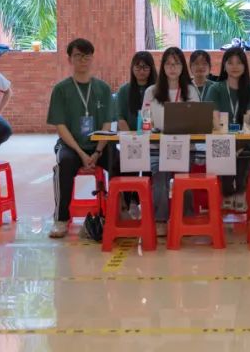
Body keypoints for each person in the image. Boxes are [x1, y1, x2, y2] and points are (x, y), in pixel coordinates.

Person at [47, 38, 125, 239]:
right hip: (72, 146)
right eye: (78, 56)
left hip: (99, 145)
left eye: (86, 56)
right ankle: (61, 219)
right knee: (64, 164)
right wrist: (81, 153)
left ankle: (119, 211)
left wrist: (98, 151)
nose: (83, 60)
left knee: (119, 161)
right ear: (69, 59)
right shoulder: (61, 89)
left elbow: (107, 124)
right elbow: (60, 126)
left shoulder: (103, 88)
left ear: (92, 58)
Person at [142, 47, 201, 236]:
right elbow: (145, 119)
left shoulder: (191, 91)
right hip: (158, 145)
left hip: (185, 145)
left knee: (184, 179)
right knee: (160, 179)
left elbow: (198, 119)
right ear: (163, 67)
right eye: (168, 64)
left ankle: (186, 217)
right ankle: (160, 220)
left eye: (176, 63)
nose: (172, 67)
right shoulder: (151, 91)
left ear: (183, 67)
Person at [205, 47, 250, 210]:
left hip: (246, 137)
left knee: (244, 152)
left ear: (245, 66)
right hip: (222, 137)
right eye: (230, 63)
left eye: (239, 63)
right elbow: (215, 118)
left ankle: (241, 192)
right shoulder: (216, 88)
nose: (235, 66)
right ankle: (228, 192)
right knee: (224, 148)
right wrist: (230, 141)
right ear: (224, 66)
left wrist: (240, 141)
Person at [114, 51, 158, 131]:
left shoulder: (158, 90)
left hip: (154, 135)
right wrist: (131, 137)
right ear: (132, 68)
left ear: (151, 69)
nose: (141, 71)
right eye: (138, 67)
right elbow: (120, 118)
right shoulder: (123, 90)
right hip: (130, 136)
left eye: (145, 67)